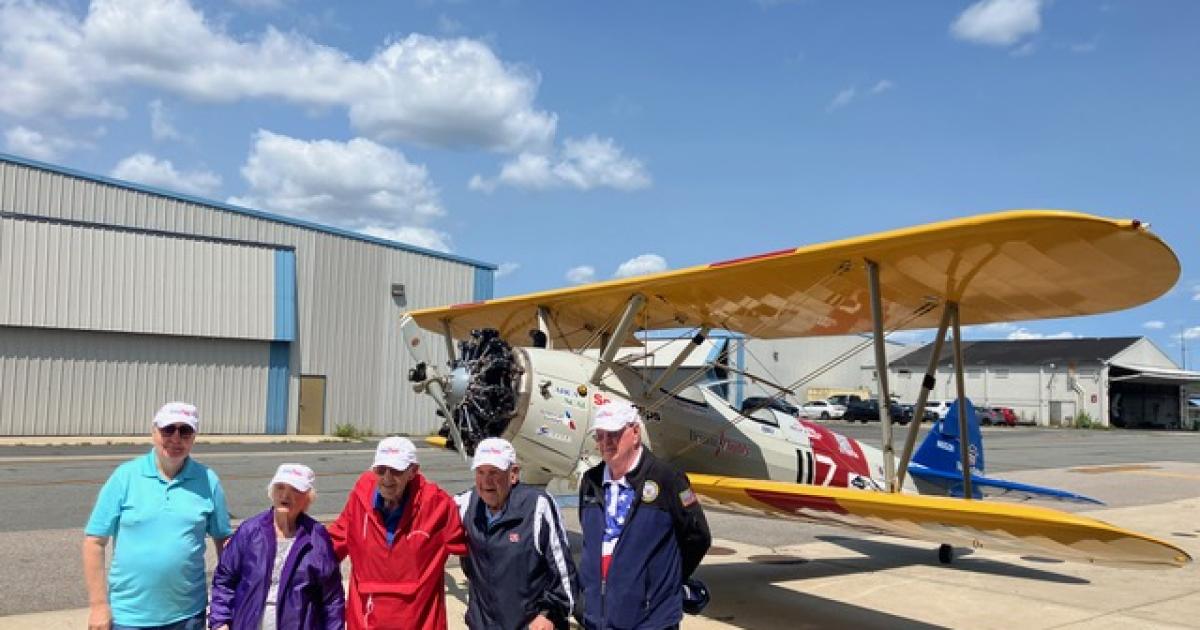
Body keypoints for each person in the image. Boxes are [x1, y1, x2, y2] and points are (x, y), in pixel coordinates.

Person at [83, 402, 233, 630]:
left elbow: (224, 541)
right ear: (154, 432)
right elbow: (94, 542)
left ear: (193, 437)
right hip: (129, 617)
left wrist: (226, 605)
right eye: (168, 429)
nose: (176, 438)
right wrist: (98, 606)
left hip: (188, 615)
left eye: (185, 431)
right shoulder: (125, 477)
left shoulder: (208, 480)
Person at [578, 399, 712, 630]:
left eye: (614, 434)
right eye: (600, 435)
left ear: (636, 432)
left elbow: (698, 537)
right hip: (597, 620)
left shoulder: (667, 478)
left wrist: (663, 583)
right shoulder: (591, 481)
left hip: (650, 621)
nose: (606, 442)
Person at [328, 436, 467, 629]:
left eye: (396, 471)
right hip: (366, 621)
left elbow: (474, 547)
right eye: (380, 470)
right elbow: (329, 548)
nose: (386, 478)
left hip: (419, 623)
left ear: (413, 471)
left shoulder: (438, 505)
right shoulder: (359, 498)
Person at [455, 438, 577, 630]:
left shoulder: (538, 506)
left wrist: (549, 614)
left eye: (494, 472)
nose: (486, 481)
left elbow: (563, 572)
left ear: (513, 474)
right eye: (480, 472)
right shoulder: (465, 505)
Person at [210, 463, 344, 629]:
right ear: (272, 493)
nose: (285, 495)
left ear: (307, 499)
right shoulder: (250, 531)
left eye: (295, 489)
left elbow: (331, 598)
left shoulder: (317, 537)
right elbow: (224, 579)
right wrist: (220, 621)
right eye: (280, 487)